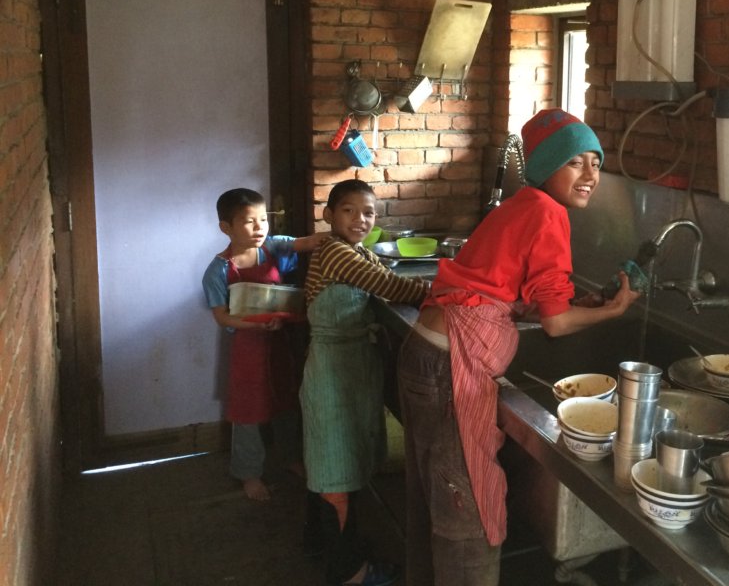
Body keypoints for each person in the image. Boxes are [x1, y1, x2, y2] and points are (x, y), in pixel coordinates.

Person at [397, 108, 643, 586]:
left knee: (437, 502)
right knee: (468, 512)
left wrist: (576, 305)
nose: (591, 174)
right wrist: (612, 311)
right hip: (451, 369)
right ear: (547, 166)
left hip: (430, 355)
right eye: (575, 162)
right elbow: (556, 324)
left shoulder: (521, 205)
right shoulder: (549, 212)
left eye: (596, 162)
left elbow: (506, 293)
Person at [302, 179, 430, 586]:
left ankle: (322, 545)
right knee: (335, 469)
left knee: (335, 461)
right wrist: (439, 294)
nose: (361, 219)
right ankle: (349, 573)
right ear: (329, 215)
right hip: (332, 373)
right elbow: (390, 285)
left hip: (350, 368)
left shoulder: (356, 251)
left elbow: (380, 271)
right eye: (349, 211)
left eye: (369, 213)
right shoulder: (335, 252)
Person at [202, 187, 326, 502]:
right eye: (249, 221)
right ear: (226, 227)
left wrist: (344, 231)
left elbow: (309, 242)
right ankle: (249, 474)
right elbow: (223, 318)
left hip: (279, 345)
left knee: (286, 402)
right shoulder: (218, 270)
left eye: (263, 219)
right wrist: (257, 325)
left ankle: (290, 458)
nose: (260, 228)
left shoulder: (273, 247)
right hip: (247, 350)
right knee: (248, 412)